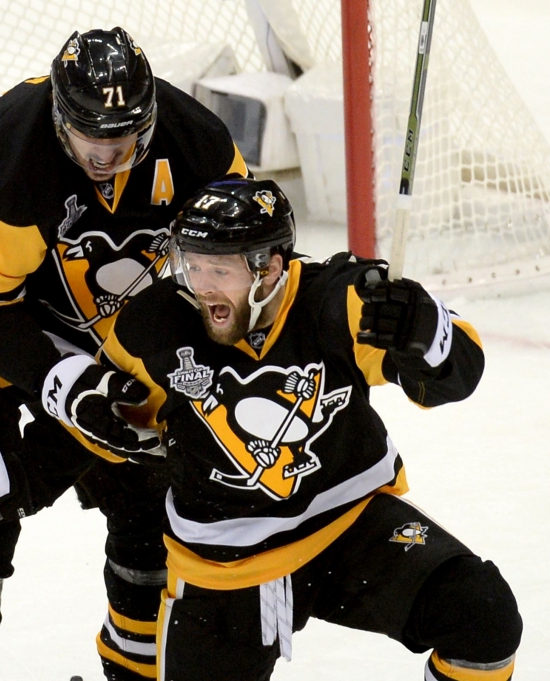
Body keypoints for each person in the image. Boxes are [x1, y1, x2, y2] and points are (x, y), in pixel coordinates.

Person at [0, 26, 249, 681]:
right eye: (93, 140)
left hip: (97, 325)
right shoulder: (7, 161)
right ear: (59, 118)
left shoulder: (201, 151)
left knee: (154, 496)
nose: (109, 155)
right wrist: (62, 383)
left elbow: (235, 292)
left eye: (125, 139)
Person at [100, 176, 523, 680]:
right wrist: (15, 474)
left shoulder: (338, 301)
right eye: (192, 265)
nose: (201, 284)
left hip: (347, 525)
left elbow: (459, 374)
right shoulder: (154, 328)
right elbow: (100, 428)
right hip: (226, 563)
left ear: (271, 267)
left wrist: (425, 332)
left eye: (219, 268)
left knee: (482, 614)